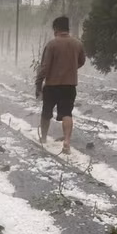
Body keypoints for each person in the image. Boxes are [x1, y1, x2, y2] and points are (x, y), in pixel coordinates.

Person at [35, 16, 86, 154]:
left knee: (46, 113)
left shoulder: (52, 44)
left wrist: (38, 83)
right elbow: (81, 61)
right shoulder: (78, 44)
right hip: (70, 85)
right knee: (67, 113)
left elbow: (45, 67)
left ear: (56, 29)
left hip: (52, 85)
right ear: (67, 29)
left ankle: (44, 138)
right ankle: (67, 141)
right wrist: (70, 69)